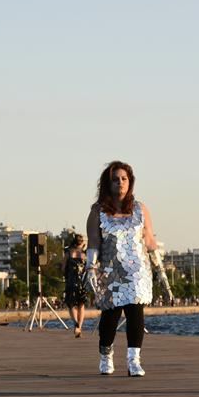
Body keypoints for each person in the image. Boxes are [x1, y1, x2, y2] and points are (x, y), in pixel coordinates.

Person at [85, 161, 164, 377]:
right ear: (107, 183)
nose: (120, 183)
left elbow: (150, 240)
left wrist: (160, 270)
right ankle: (105, 354)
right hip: (111, 271)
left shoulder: (140, 209)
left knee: (135, 312)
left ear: (130, 182)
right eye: (115, 179)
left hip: (137, 270)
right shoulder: (98, 211)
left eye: (124, 179)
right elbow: (93, 241)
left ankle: (133, 360)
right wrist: (90, 267)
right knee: (110, 316)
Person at [62, 233, 88, 337]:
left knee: (71, 304)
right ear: (82, 243)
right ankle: (79, 327)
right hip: (82, 282)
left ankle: (76, 324)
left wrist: (66, 274)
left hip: (71, 281)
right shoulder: (84, 254)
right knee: (81, 304)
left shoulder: (68, 253)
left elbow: (63, 267)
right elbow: (88, 268)